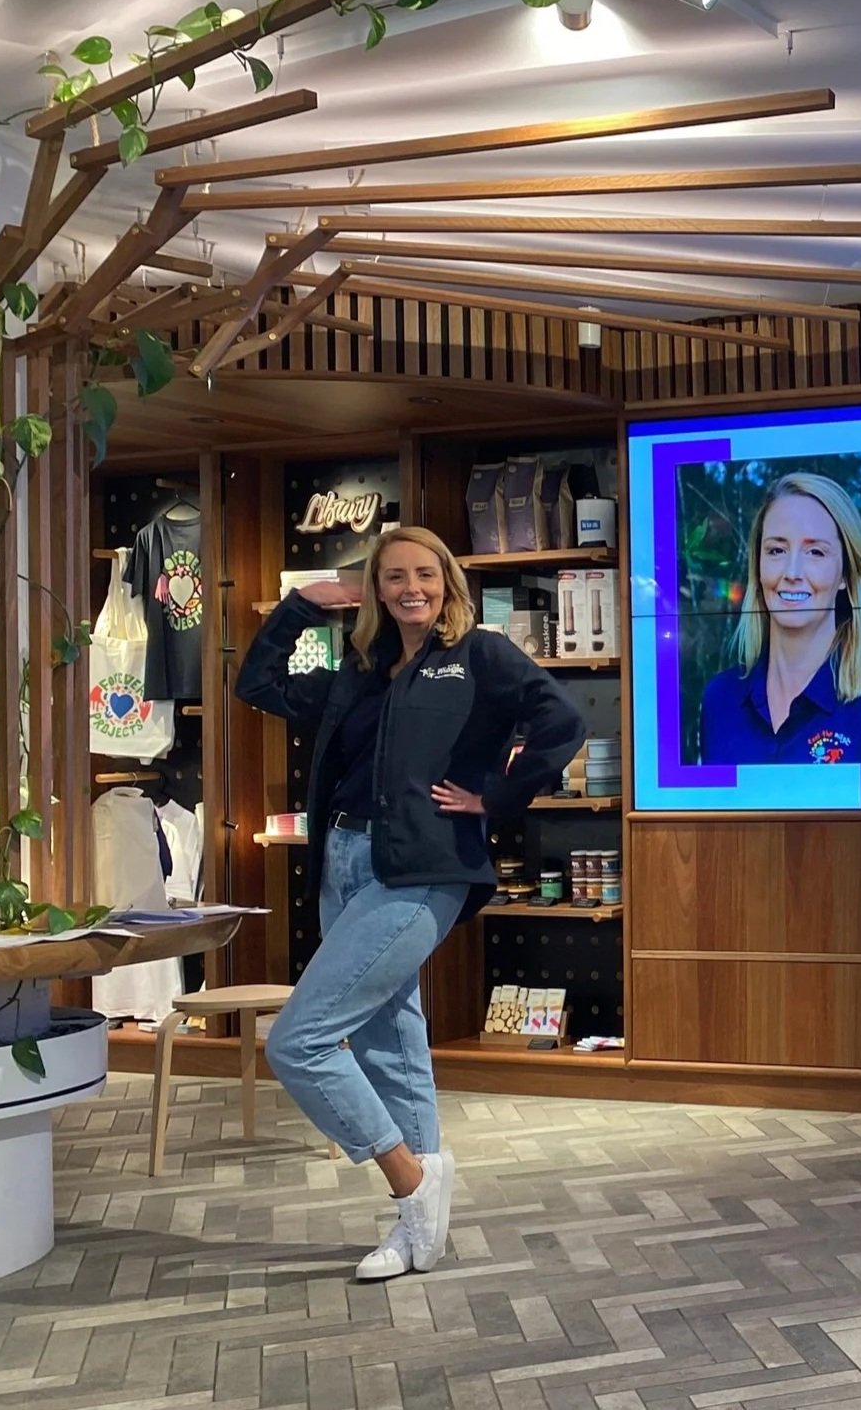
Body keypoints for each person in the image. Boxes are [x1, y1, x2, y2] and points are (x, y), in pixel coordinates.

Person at [235, 526, 584, 1281]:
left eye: (424, 573)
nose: (410, 587)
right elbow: (256, 686)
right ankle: (419, 1229)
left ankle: (409, 1178)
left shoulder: (478, 655)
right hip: (344, 862)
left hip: (424, 868)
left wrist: (494, 797)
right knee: (389, 1038)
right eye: (394, 575)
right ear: (375, 588)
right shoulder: (357, 671)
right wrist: (298, 607)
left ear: (447, 580)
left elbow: (563, 719)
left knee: (298, 1040)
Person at [698, 471, 861, 765]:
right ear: (758, 565)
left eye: (815, 552)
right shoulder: (719, 702)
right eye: (777, 550)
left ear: (845, 574)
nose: (792, 573)